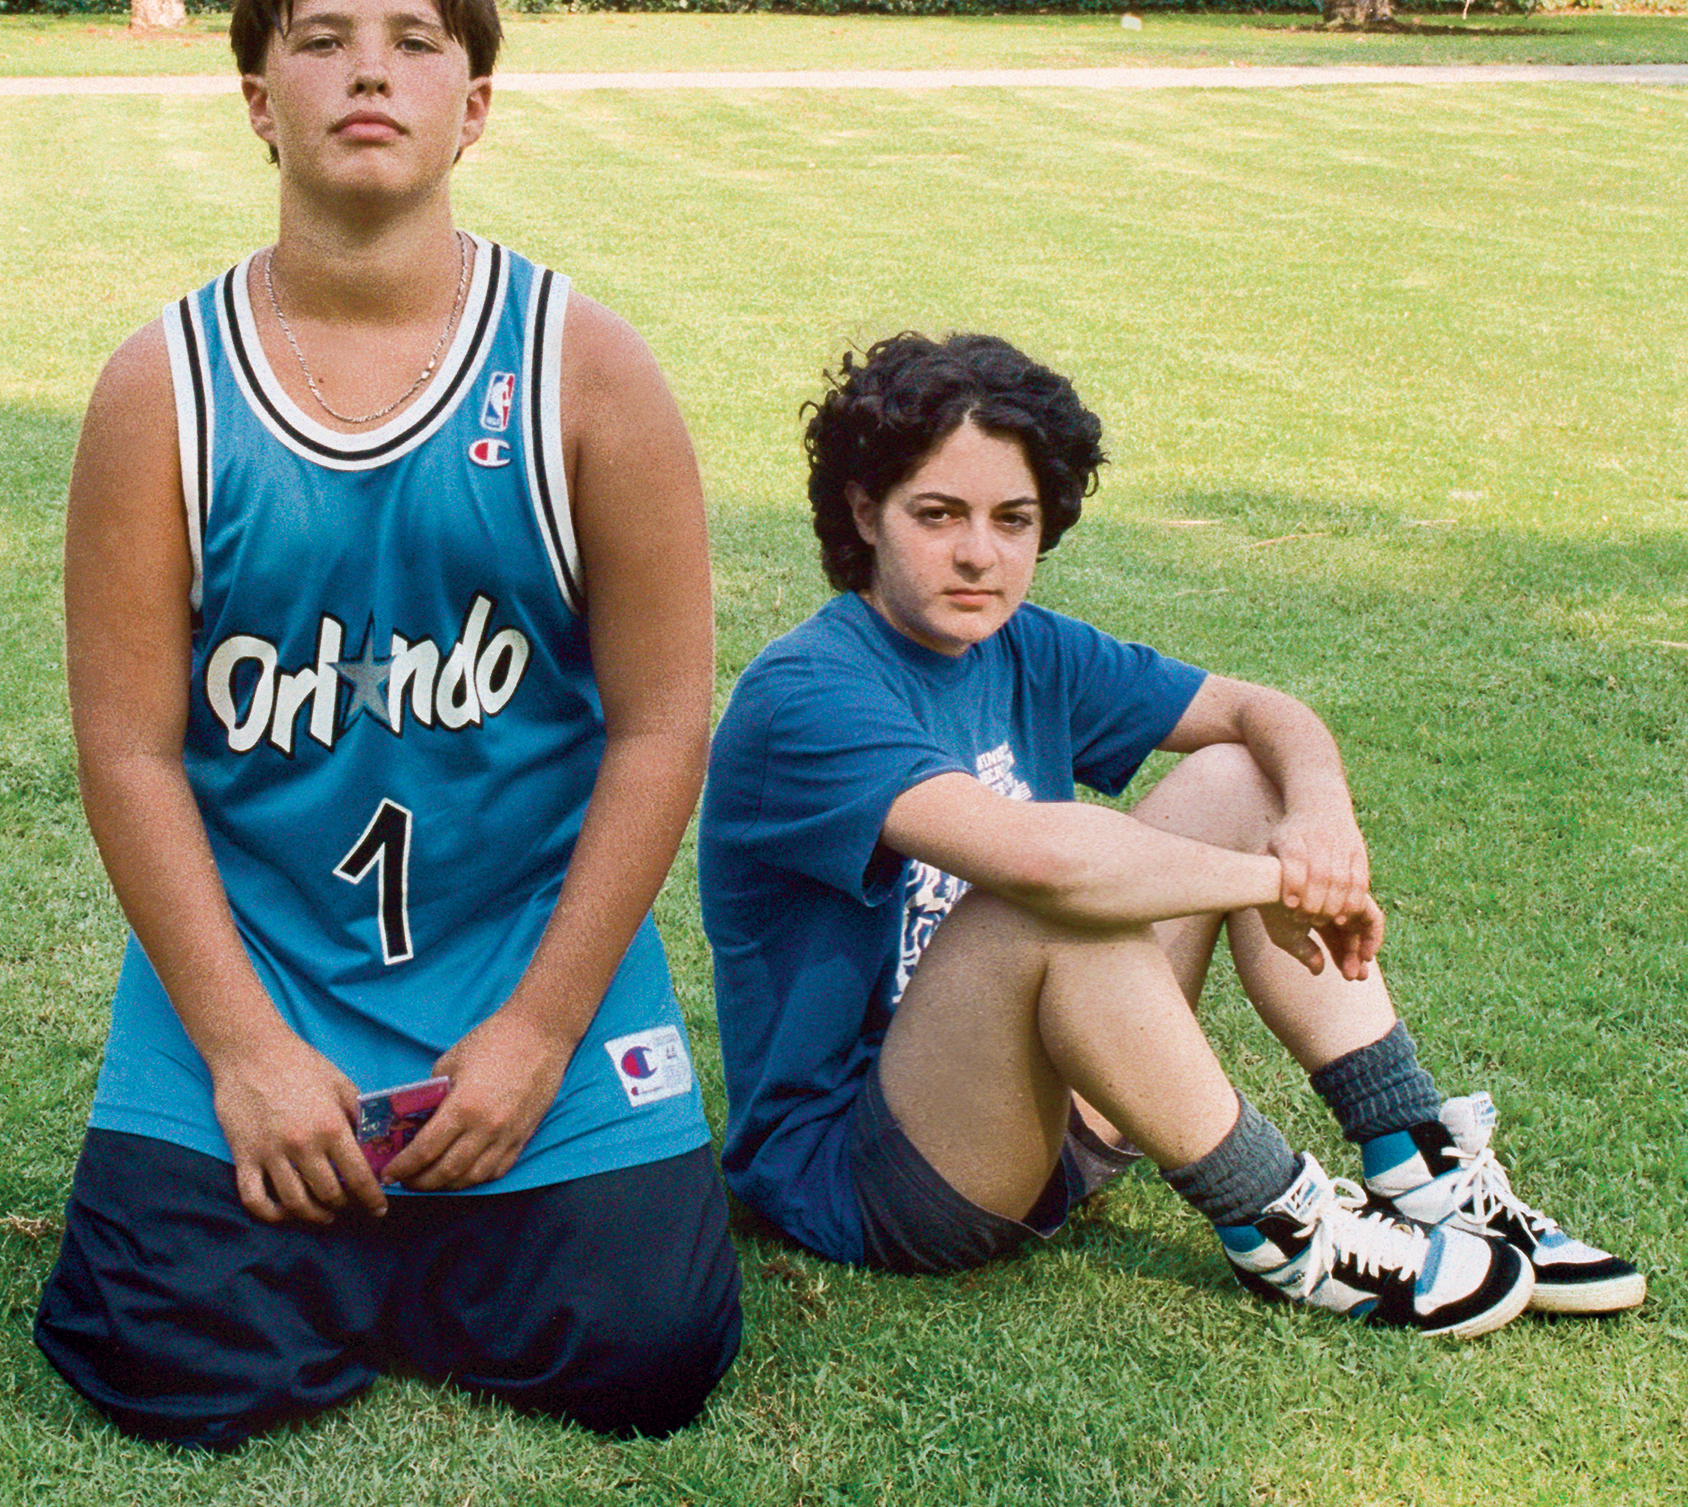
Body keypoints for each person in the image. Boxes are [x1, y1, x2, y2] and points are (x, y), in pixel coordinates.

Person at [36, 0, 740, 1449]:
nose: (373, 74)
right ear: (256, 97)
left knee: (648, 1343)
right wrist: (241, 1048)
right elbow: (134, 753)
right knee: (156, 1357)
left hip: (523, 964)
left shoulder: (586, 367)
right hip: (264, 974)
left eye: (416, 44)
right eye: (322, 41)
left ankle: (378, 1245)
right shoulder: (162, 387)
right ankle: (357, 1225)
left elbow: (660, 721)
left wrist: (545, 1029)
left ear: (472, 104)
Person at [699, 329, 1643, 1336]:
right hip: (877, 1170)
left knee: (1238, 773)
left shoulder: (1025, 645)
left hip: (1060, 1118)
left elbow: (1263, 713)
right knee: (1048, 897)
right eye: (939, 514)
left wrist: (1319, 820)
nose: (981, 552)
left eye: (1013, 519)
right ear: (863, 511)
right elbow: (1043, 862)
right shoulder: (807, 692)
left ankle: (1418, 1158)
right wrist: (1266, 882)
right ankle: (1288, 1224)